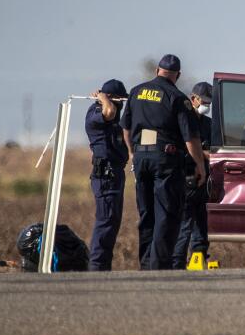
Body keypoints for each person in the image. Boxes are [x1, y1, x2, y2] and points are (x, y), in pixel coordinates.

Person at [121, 54, 205, 270]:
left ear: (157, 70)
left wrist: (132, 153)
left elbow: (126, 127)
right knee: (165, 213)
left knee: (146, 213)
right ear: (178, 75)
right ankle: (159, 266)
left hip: (141, 158)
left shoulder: (136, 92)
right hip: (165, 160)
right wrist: (200, 166)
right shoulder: (177, 97)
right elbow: (191, 138)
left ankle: (146, 263)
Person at [85, 79, 129, 271]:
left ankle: (104, 266)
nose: (121, 105)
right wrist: (103, 98)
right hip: (105, 175)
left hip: (116, 173)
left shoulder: (116, 116)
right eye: (119, 100)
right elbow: (108, 112)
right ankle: (96, 267)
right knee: (105, 220)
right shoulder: (96, 113)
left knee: (113, 221)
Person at [173, 82, 213, 269]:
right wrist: (204, 154)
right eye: (204, 101)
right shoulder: (184, 121)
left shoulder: (208, 124)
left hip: (204, 180)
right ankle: (177, 262)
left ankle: (198, 257)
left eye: (209, 103)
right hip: (187, 176)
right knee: (185, 223)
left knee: (201, 222)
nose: (206, 106)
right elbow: (187, 148)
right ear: (193, 99)